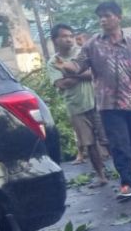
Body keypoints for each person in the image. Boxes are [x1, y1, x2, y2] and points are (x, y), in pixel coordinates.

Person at [57, 2, 131, 200]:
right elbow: (77, 66)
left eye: (107, 15)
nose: (103, 20)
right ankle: (127, 183)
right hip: (109, 105)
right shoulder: (92, 45)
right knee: (119, 145)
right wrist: (65, 66)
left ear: (118, 17)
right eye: (100, 17)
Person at [46, 24, 108, 186]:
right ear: (55, 40)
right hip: (75, 106)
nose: (69, 39)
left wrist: (70, 71)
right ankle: (101, 175)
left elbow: (95, 73)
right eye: (64, 36)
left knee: (108, 138)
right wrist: (81, 74)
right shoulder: (53, 62)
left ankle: (126, 171)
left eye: (70, 35)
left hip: (97, 102)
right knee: (89, 143)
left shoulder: (82, 53)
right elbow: (61, 84)